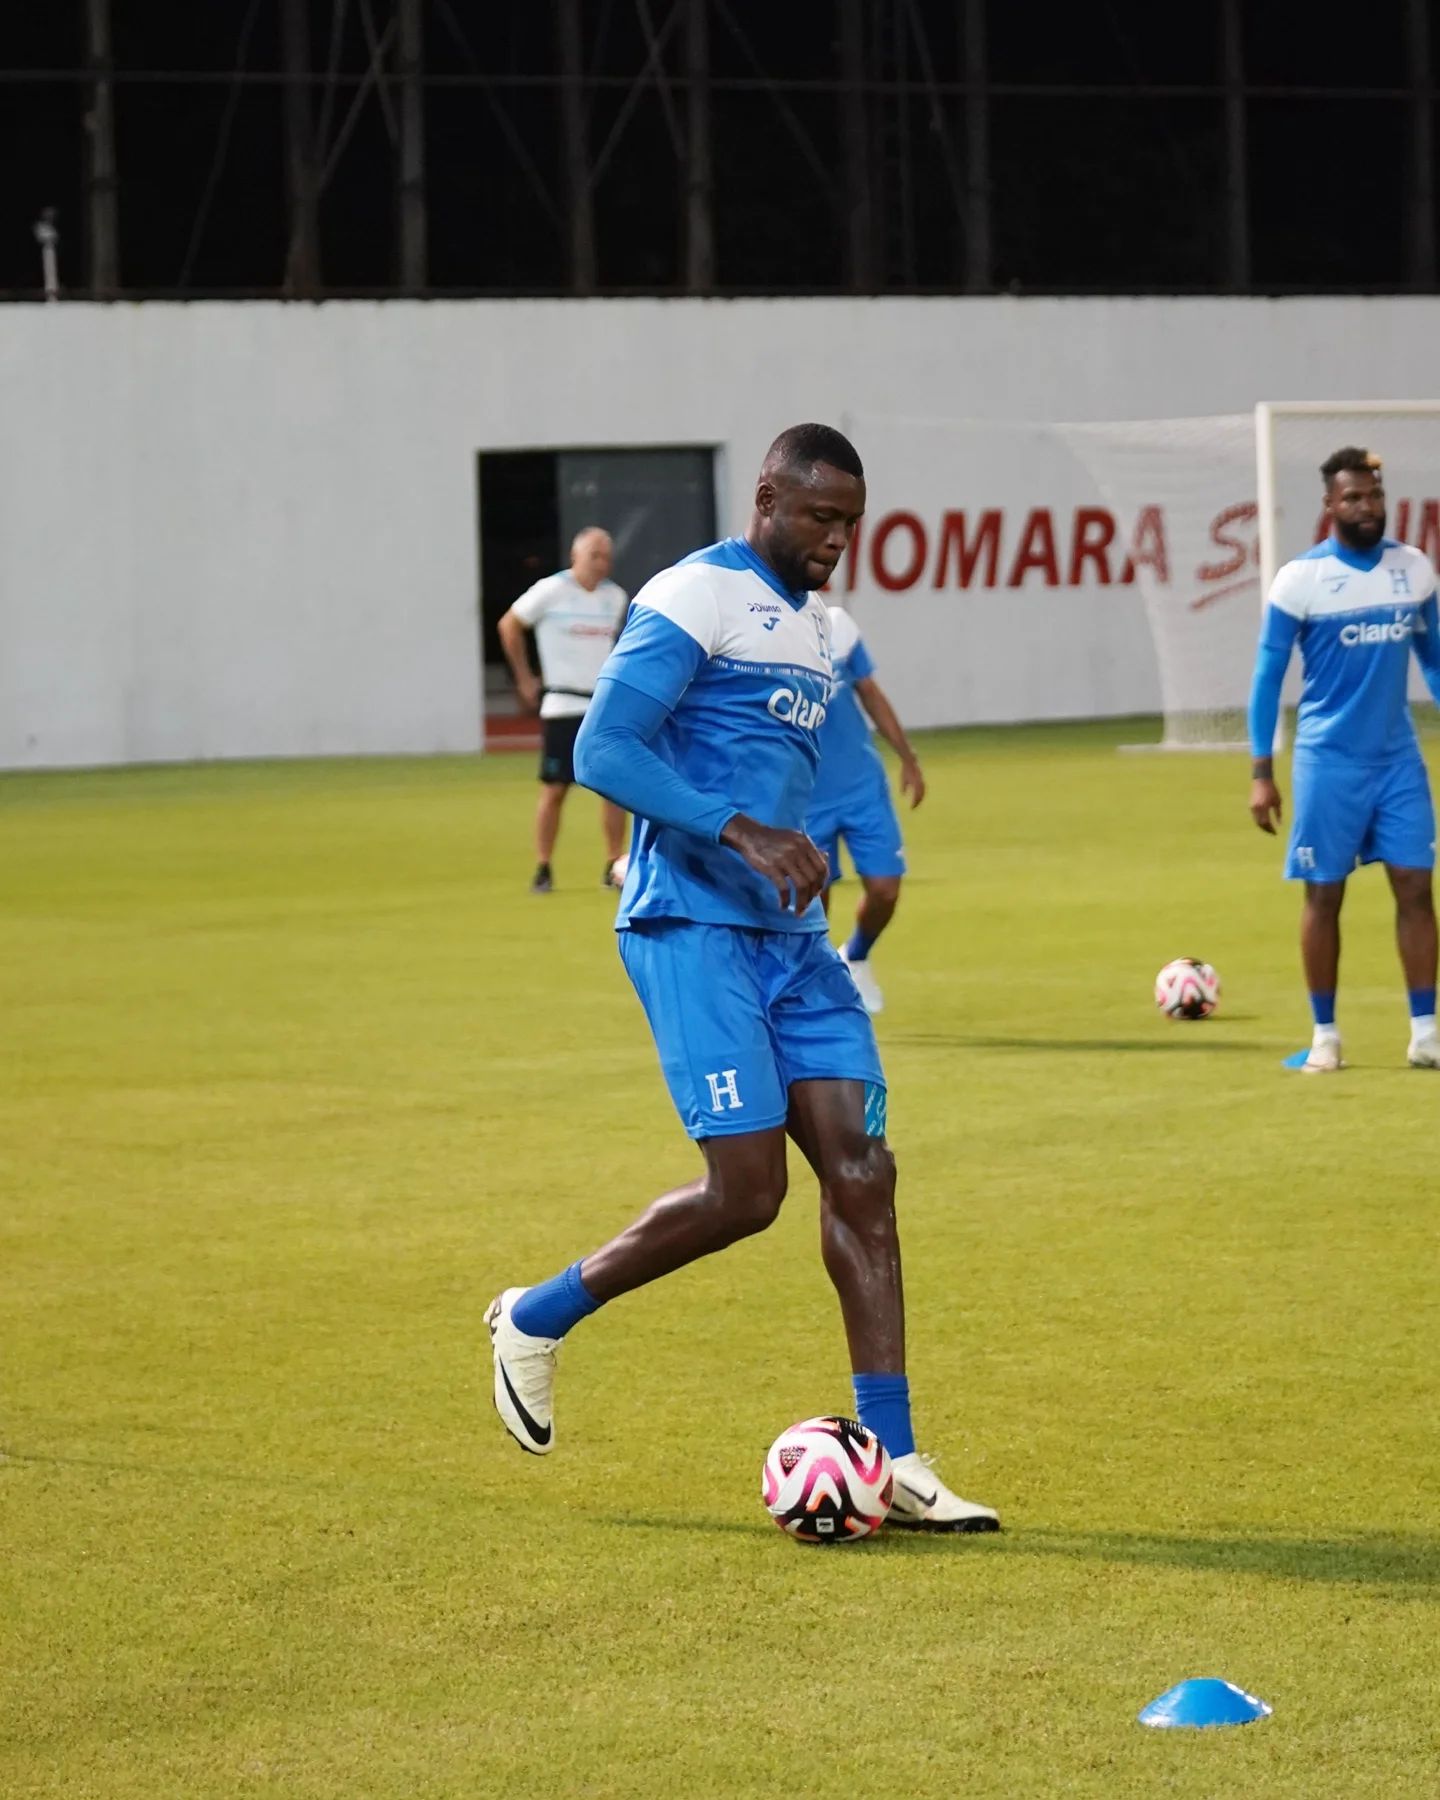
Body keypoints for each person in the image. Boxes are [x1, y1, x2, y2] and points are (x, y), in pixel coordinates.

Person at [486, 424, 1000, 1532]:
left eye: (850, 525)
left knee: (863, 1174)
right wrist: (743, 832)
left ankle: (897, 1458)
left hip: (790, 943)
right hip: (690, 926)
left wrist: (808, 855)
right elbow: (605, 752)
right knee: (748, 1195)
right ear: (767, 496)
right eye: (820, 518)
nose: (836, 542)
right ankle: (535, 1315)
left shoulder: (818, 631)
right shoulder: (694, 595)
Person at [1248, 445, 1440, 1073]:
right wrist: (1260, 773)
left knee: (1415, 886)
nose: (1367, 506)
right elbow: (1267, 678)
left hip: (1397, 759)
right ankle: (1326, 1035)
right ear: (1329, 506)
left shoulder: (1412, 569)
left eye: (1375, 495)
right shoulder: (1300, 579)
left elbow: (1433, 659)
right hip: (1327, 760)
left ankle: (1425, 1032)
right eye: (1353, 497)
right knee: (1323, 896)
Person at [497, 527, 629, 892]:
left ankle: (614, 863)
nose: (602, 564)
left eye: (606, 557)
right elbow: (509, 624)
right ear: (576, 556)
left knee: (615, 789)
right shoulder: (551, 590)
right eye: (595, 556)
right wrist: (524, 677)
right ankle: (543, 865)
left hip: (601, 704)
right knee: (555, 788)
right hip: (562, 703)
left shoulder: (615, 598)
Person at [807, 605, 924, 1014]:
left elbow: (871, 694)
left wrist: (907, 757)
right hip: (806, 796)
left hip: (862, 788)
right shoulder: (767, 638)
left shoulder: (839, 625)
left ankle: (855, 955)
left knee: (886, 888)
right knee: (813, 904)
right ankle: (817, 989)